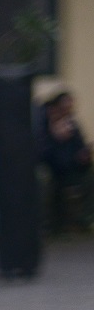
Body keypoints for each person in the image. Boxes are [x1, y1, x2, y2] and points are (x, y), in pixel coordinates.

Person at [39, 91, 91, 232]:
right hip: (49, 166)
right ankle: (49, 224)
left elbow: (79, 146)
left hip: (69, 167)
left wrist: (83, 156)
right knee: (45, 180)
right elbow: (41, 152)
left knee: (89, 178)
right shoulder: (42, 124)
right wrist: (56, 139)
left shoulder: (71, 124)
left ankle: (83, 220)